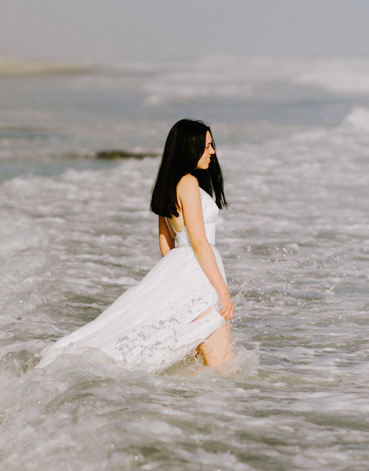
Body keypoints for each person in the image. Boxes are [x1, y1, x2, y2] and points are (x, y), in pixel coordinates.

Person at [38, 119, 234, 372]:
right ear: (189, 148)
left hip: (185, 269)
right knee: (224, 366)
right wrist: (222, 291)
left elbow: (167, 246)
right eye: (207, 146)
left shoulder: (168, 185)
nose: (212, 152)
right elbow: (198, 241)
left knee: (202, 361)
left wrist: (175, 279)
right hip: (200, 272)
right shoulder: (188, 183)